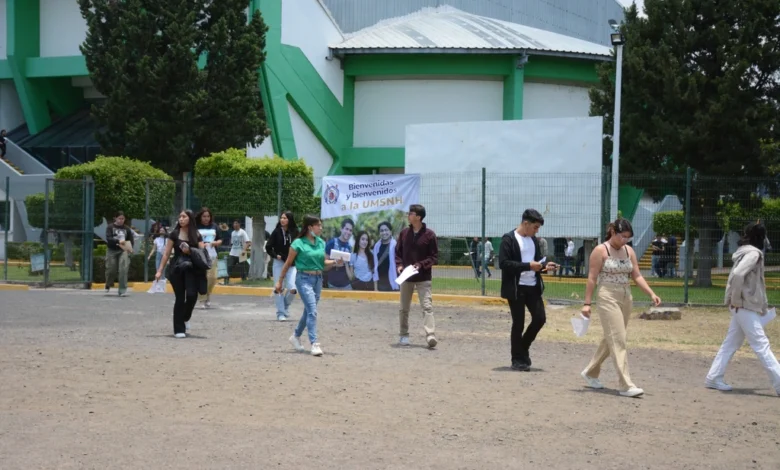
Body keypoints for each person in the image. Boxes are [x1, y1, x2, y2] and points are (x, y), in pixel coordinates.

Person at [580, 218, 661, 398]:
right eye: (622, 236)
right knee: (619, 339)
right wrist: (587, 303)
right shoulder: (600, 250)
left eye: (628, 237)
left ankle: (590, 371)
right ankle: (626, 385)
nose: (625, 240)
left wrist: (651, 293)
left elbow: (637, 275)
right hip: (607, 295)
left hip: (626, 296)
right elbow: (592, 278)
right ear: (613, 232)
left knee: (613, 337)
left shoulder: (629, 251)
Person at [705, 222, 780, 396]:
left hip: (742, 305)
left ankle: (713, 377)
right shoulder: (754, 254)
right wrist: (737, 300)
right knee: (761, 344)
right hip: (743, 305)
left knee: (731, 342)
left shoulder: (746, 252)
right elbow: (739, 275)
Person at [276, 215, 343, 356]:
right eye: (318, 225)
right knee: (312, 310)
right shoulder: (298, 243)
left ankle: (295, 336)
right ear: (309, 227)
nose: (321, 228)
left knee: (308, 311)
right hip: (303, 279)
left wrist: (335, 262)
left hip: (318, 279)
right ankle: (314, 343)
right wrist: (280, 281)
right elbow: (288, 264)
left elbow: (323, 263)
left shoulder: (321, 243)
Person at [499, 209, 558, 371]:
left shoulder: (534, 240)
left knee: (540, 318)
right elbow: (504, 264)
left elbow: (537, 262)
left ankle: (523, 348)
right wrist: (528, 266)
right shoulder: (508, 239)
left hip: (533, 286)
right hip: (516, 288)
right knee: (518, 323)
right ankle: (517, 359)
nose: (537, 230)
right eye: (535, 227)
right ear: (526, 223)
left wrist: (545, 266)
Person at [155, 210, 207, 338]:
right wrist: (159, 270)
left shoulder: (196, 234)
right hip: (177, 269)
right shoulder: (174, 234)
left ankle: (185, 317)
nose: (181, 219)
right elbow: (166, 253)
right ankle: (179, 329)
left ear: (190, 218)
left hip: (192, 269)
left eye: (184, 216)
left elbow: (202, 252)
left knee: (191, 295)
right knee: (179, 298)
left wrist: (190, 251)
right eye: (180, 217)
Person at [395, 204, 439, 348]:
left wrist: (420, 264)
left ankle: (430, 335)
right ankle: (403, 335)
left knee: (427, 307)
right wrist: (399, 265)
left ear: (418, 217)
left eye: (411, 213)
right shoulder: (404, 233)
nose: (408, 215)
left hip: (423, 277)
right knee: (404, 308)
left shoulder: (430, 235)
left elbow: (434, 257)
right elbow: (398, 252)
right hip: (406, 277)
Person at [266, 211, 299, 321]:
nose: (282, 220)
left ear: (289, 219)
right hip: (279, 263)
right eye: (281, 218)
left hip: (292, 263)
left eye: (285, 218)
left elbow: (299, 246)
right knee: (279, 287)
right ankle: (280, 313)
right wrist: (276, 256)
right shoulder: (276, 232)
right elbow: (268, 247)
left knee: (293, 288)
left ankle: (284, 307)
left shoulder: (295, 232)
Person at [196, 207, 222, 308]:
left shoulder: (214, 226)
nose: (206, 218)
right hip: (200, 254)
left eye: (208, 216)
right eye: (204, 216)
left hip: (212, 254)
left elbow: (220, 240)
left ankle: (208, 295)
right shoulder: (196, 226)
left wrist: (215, 243)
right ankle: (203, 299)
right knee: (202, 277)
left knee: (212, 277)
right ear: (200, 217)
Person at [105, 211, 134, 296]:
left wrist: (130, 248)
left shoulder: (127, 229)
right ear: (115, 218)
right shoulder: (110, 227)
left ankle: (122, 289)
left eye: (123, 219)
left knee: (123, 269)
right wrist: (118, 241)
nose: (121, 220)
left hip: (123, 250)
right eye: (119, 218)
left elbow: (130, 240)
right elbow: (109, 238)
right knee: (111, 269)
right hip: (112, 250)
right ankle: (108, 284)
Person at [325, 218, 354, 289]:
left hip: (346, 286)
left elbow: (350, 272)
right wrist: (334, 264)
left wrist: (346, 263)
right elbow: (324, 265)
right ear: (341, 229)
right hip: (332, 285)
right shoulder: (331, 243)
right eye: (346, 229)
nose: (348, 232)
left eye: (350, 230)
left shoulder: (350, 247)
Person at [373, 221, 399, 291]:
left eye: (386, 230)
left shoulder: (396, 245)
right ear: (379, 233)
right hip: (381, 284)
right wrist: (376, 288)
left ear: (390, 232)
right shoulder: (376, 246)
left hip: (393, 283)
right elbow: (375, 268)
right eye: (381, 231)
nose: (384, 233)